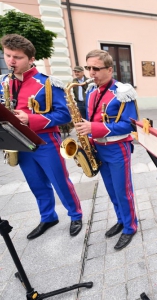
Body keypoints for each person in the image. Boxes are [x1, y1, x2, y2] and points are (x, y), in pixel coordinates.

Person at [0, 34, 83, 239]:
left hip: (47, 141)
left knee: (60, 181)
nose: (11, 61)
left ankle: (75, 215)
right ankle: (48, 217)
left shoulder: (47, 82)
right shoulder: (4, 82)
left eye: (17, 57)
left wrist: (31, 119)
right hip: (21, 142)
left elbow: (64, 115)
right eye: (8, 55)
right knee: (36, 183)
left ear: (30, 59)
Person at [74, 49, 139, 250]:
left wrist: (93, 128)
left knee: (123, 190)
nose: (91, 73)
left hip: (118, 147)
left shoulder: (123, 92)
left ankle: (130, 227)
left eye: (96, 68)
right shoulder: (91, 91)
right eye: (88, 68)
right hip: (98, 147)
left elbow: (130, 125)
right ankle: (121, 219)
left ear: (110, 70)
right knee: (111, 189)